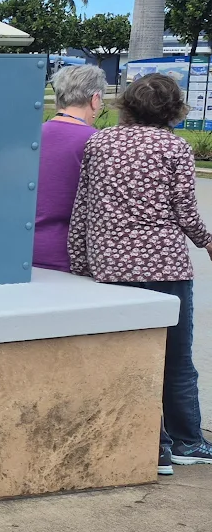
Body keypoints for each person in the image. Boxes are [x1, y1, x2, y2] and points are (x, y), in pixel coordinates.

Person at [68, 73, 212, 475]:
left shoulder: (100, 142)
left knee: (129, 356)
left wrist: (81, 262)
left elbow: (84, 207)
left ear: (127, 104)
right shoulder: (175, 148)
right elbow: (185, 212)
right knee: (176, 358)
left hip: (110, 265)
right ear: (174, 109)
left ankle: (152, 445)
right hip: (165, 266)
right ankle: (187, 441)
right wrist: (206, 241)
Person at [34, 64, 107, 271]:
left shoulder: (29, 136)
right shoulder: (97, 142)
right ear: (94, 99)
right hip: (71, 255)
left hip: (23, 248)